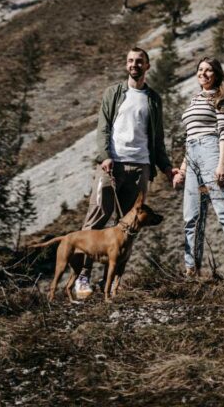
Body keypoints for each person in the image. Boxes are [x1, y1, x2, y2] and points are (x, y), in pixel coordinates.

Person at [73, 46, 174, 299]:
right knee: (96, 217)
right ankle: (82, 278)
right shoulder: (114, 93)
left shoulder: (153, 99)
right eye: (130, 61)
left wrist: (166, 168)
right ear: (126, 65)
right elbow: (102, 128)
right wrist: (105, 156)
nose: (134, 65)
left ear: (147, 66)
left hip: (140, 168)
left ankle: (112, 285)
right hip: (112, 164)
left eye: (139, 61)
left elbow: (157, 139)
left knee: (128, 228)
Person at [173, 56, 224, 288]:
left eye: (208, 71)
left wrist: (221, 164)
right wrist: (183, 170)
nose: (203, 74)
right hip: (193, 156)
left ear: (216, 75)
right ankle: (191, 271)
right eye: (200, 70)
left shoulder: (221, 98)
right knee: (192, 217)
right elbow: (190, 139)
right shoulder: (195, 99)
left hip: (212, 153)